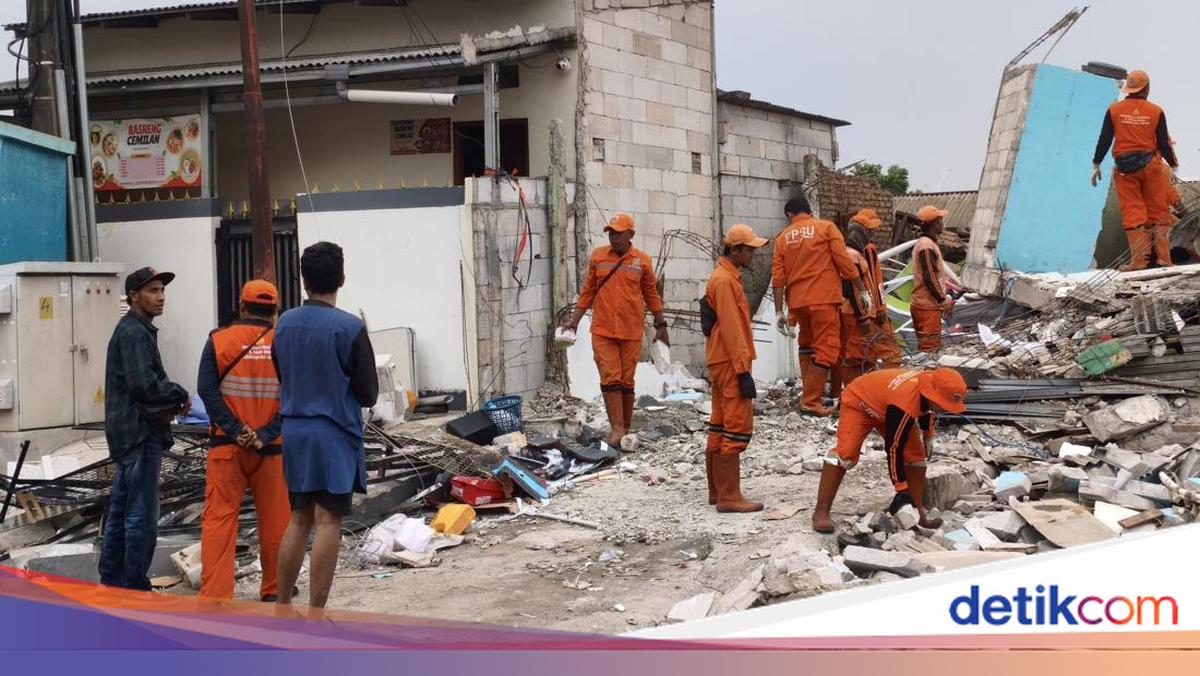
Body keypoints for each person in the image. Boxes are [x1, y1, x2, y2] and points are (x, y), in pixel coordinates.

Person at [272, 242, 378, 610]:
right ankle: (316, 613)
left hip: (295, 432)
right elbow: (367, 393)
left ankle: (282, 604)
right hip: (333, 433)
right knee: (328, 519)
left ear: (304, 281)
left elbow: (282, 374)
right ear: (342, 279)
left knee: (299, 518)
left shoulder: (283, 323)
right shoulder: (349, 327)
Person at [197, 280, 290, 602]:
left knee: (220, 520)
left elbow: (207, 391)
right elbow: (294, 395)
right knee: (277, 520)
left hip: (227, 447)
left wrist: (237, 430)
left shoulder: (218, 340)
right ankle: (276, 587)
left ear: (241, 306)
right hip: (273, 448)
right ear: (276, 310)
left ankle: (217, 595)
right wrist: (264, 434)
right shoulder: (284, 342)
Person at [99, 267, 189, 591]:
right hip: (139, 434)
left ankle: (112, 581)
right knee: (140, 517)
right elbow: (145, 386)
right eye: (153, 290)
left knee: (122, 513)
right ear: (134, 296)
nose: (161, 296)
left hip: (129, 435)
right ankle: (134, 585)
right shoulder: (134, 333)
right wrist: (179, 393)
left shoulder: (136, 330)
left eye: (162, 290)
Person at [811, 367, 967, 533]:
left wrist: (928, 434)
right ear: (932, 393)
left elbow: (927, 408)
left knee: (916, 457)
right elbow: (894, 448)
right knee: (845, 454)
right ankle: (821, 512)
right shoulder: (905, 402)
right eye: (943, 403)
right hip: (860, 402)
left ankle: (917, 513)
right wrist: (901, 489)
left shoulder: (927, 387)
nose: (945, 408)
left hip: (886, 403)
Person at [564, 213, 669, 446]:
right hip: (602, 330)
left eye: (619, 233)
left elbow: (651, 294)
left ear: (631, 234)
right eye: (611, 233)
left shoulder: (642, 261)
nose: (614, 238)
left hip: (631, 330)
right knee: (610, 378)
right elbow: (588, 291)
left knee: (627, 380)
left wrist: (661, 324)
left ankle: (626, 428)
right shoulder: (598, 257)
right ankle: (617, 430)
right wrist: (574, 320)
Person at [772, 196, 868, 416]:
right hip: (823, 299)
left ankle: (809, 395)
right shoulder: (825, 228)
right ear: (809, 210)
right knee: (827, 350)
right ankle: (811, 401)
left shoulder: (783, 238)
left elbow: (778, 278)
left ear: (789, 214)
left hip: (797, 303)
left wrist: (779, 311)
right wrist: (861, 289)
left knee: (806, 344)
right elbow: (843, 261)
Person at [704, 224, 769, 512]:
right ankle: (729, 497)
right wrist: (743, 371)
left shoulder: (723, 277)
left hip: (721, 359)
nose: (753, 254)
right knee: (736, 427)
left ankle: (718, 492)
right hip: (730, 361)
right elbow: (732, 329)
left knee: (719, 424)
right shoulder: (725, 281)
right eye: (750, 249)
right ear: (736, 249)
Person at [1091, 69, 1180, 270]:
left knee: (1133, 213)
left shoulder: (1114, 110)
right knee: (1159, 212)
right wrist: (1173, 165)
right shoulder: (1156, 111)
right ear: (1147, 88)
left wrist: (1096, 164)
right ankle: (1165, 259)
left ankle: (1138, 261)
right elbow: (1164, 142)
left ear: (1128, 89)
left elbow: (1104, 139)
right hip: (1151, 167)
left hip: (1125, 169)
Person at [852, 209, 904, 370]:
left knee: (865, 354)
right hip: (872, 311)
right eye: (870, 229)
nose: (874, 231)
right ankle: (890, 387)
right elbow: (874, 282)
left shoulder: (853, 250)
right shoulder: (866, 249)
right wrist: (880, 309)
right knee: (891, 353)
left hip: (862, 311)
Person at [838, 216, 878, 390]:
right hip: (853, 314)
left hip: (854, 312)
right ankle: (854, 392)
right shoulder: (852, 255)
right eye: (868, 232)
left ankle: (861, 390)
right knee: (855, 356)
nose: (870, 235)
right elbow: (851, 288)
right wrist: (863, 316)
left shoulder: (854, 254)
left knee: (862, 354)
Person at [911, 206, 952, 353]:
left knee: (927, 349)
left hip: (926, 305)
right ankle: (925, 376)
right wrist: (942, 300)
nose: (942, 224)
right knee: (929, 351)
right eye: (940, 220)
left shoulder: (928, 243)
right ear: (934, 224)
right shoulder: (926, 245)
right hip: (926, 307)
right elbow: (929, 277)